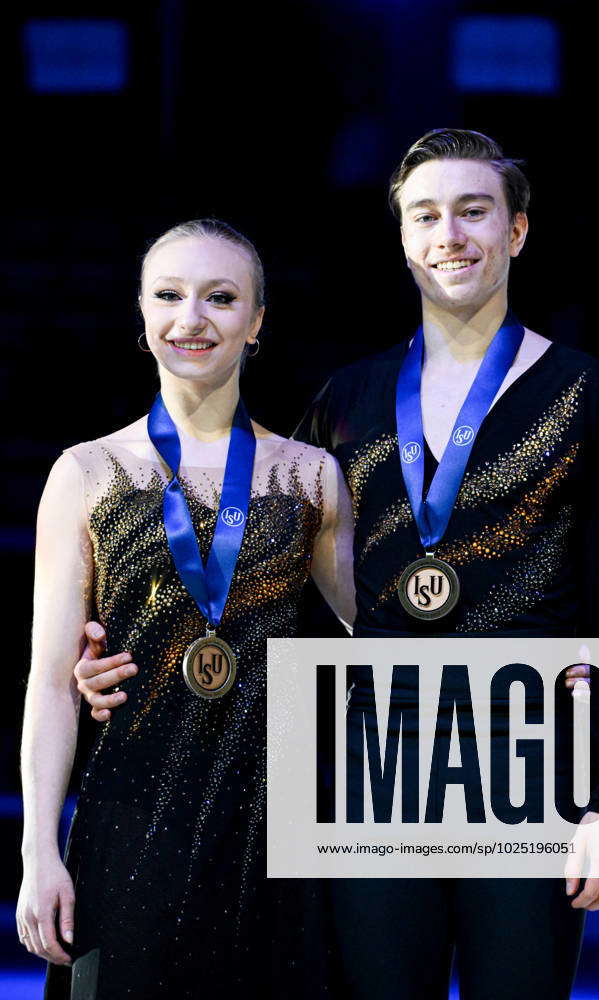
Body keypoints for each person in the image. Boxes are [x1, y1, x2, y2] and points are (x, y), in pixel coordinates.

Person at [72, 130, 599, 998]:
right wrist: (133, 656)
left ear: (517, 232)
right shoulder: (347, 401)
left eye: (472, 211)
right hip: (369, 764)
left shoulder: (587, 395)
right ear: (404, 239)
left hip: (527, 761)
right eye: (425, 215)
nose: (448, 234)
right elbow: (274, 589)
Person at [16, 218, 355, 1000]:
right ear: (141, 313)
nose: (191, 318)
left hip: (276, 836)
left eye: (220, 297)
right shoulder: (86, 473)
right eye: (169, 295)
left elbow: (381, 646)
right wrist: (40, 850)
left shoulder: (310, 478)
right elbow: (50, 683)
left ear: (257, 320)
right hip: (129, 828)